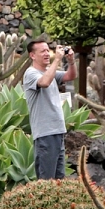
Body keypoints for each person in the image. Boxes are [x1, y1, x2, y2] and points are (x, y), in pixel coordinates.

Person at [22, 36, 77, 180]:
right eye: (42, 51)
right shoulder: (31, 74)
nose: (47, 53)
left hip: (58, 131)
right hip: (45, 134)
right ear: (32, 55)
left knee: (59, 181)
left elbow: (71, 76)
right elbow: (44, 82)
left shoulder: (50, 72)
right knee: (47, 182)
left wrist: (71, 61)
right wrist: (57, 60)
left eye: (48, 50)